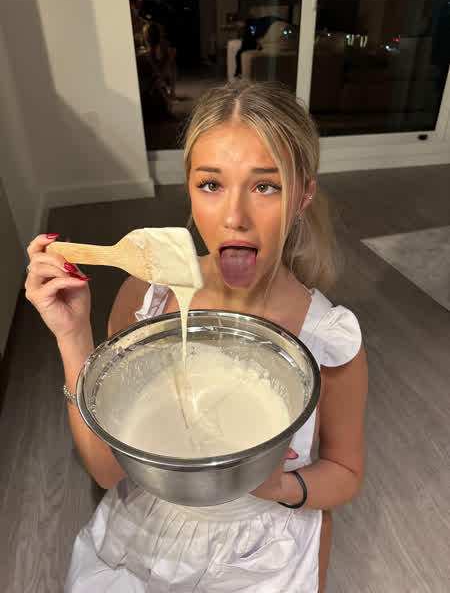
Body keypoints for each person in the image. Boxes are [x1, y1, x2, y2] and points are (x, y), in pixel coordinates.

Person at [25, 80, 368, 592]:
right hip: (149, 532)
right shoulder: (145, 298)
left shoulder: (327, 338)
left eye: (266, 186)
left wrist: (281, 486)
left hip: (261, 543)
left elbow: (344, 471)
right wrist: (73, 338)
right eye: (211, 185)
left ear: (303, 196)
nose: (234, 217)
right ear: (189, 187)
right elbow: (106, 472)